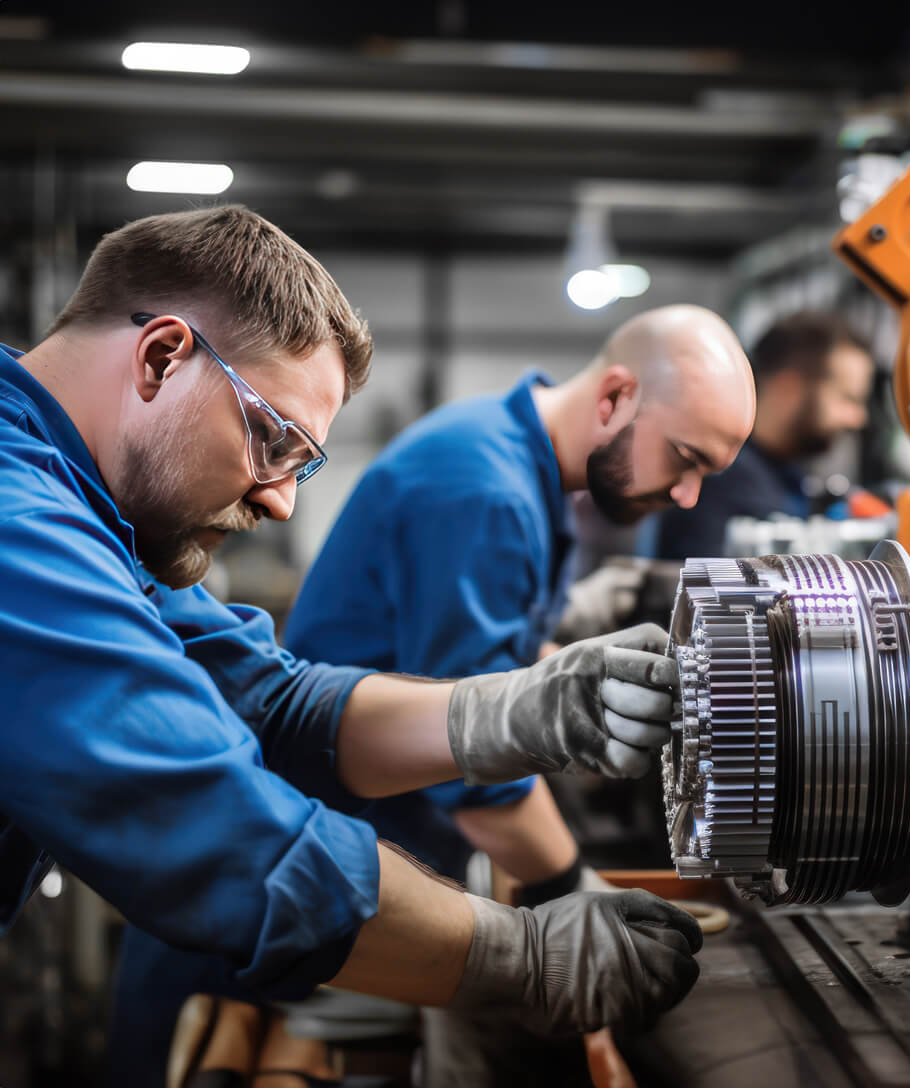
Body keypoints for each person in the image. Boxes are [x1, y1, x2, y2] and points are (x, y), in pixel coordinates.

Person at [0, 205, 706, 1086]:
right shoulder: (18, 524)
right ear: (162, 357)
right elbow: (215, 832)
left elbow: (271, 703)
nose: (280, 501)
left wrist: (515, 712)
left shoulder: (89, 514)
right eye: (272, 439)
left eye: (301, 464)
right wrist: (523, 957)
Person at [653, 310, 875, 561]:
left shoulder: (784, 477)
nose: (859, 418)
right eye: (847, 398)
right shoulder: (723, 483)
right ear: (788, 388)